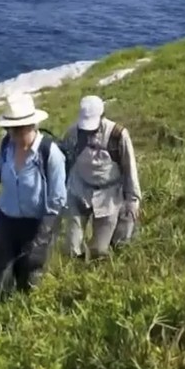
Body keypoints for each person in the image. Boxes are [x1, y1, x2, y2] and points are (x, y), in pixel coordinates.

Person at [0, 93, 66, 300]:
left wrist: (42, 239)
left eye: (19, 128)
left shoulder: (49, 153)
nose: (14, 134)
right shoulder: (7, 146)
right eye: (10, 128)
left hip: (35, 225)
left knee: (30, 281)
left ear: (32, 125)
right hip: (5, 220)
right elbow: (2, 172)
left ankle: (24, 314)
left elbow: (57, 200)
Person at [62, 95, 141, 260]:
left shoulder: (118, 136)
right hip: (79, 189)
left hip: (108, 195)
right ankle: (73, 264)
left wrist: (132, 200)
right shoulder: (72, 133)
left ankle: (95, 261)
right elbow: (65, 162)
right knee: (71, 245)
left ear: (102, 117)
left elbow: (129, 168)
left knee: (99, 250)